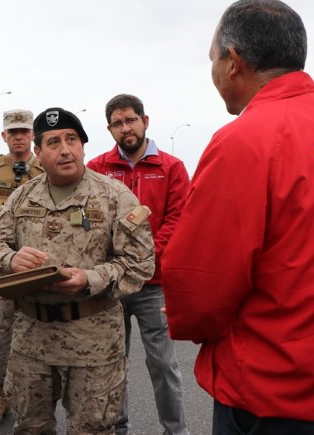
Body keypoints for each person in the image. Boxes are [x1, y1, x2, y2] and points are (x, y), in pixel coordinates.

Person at [163, 0, 314, 434]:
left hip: (280, 392)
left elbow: (199, 287)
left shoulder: (245, 141)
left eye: (213, 58)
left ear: (233, 61)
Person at [0, 107, 155, 434]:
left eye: (72, 140)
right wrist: (10, 260)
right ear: (38, 153)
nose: (65, 149)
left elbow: (140, 263)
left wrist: (90, 278)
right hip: (32, 340)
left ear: (83, 146)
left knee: (92, 429)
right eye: (54, 142)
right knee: (31, 427)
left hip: (94, 342)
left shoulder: (114, 197)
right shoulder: (21, 198)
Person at [86, 94, 190, 435]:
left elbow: (178, 220)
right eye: (117, 123)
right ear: (109, 129)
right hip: (112, 286)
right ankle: (118, 427)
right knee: (112, 364)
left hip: (154, 284)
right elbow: (87, 221)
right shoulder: (99, 168)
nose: (125, 128)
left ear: (146, 121)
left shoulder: (172, 168)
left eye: (131, 119)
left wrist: (142, 258)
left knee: (163, 363)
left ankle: (175, 431)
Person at [0, 109, 44, 426]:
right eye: (13, 132)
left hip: (37, 267)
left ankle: (31, 398)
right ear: (4, 136)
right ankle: (0, 394)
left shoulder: (47, 167)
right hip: (1, 267)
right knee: (0, 335)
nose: (19, 137)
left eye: (24, 131)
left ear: (32, 135)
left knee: (40, 335)